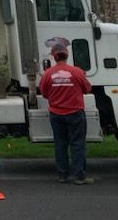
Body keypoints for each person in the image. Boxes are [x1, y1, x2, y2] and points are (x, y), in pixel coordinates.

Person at [39, 46, 94, 185]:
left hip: (56, 114)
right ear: (67, 55)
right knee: (77, 144)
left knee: (60, 144)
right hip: (75, 113)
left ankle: (62, 175)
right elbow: (87, 88)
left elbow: (44, 93)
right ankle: (79, 176)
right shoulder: (76, 72)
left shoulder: (48, 74)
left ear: (53, 56)